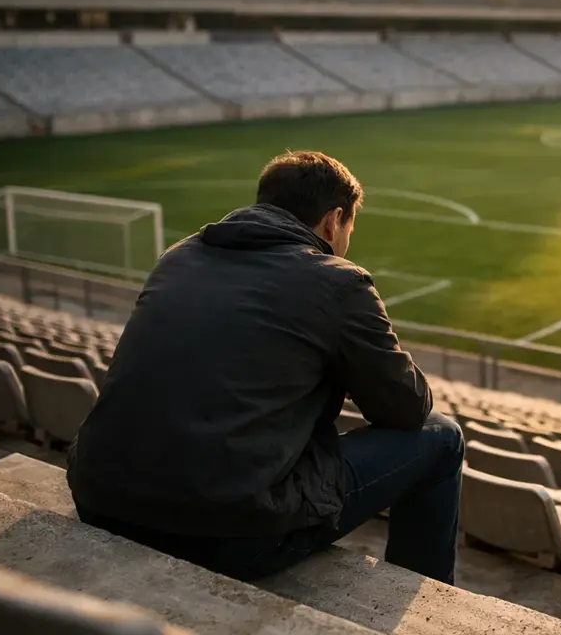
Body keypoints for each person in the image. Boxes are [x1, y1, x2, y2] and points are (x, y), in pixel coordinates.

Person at [67, 151, 463, 584]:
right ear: (333, 221)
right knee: (442, 436)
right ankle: (428, 600)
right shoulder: (338, 282)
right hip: (226, 532)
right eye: (349, 227)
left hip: (99, 497)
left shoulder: (177, 257)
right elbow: (405, 409)